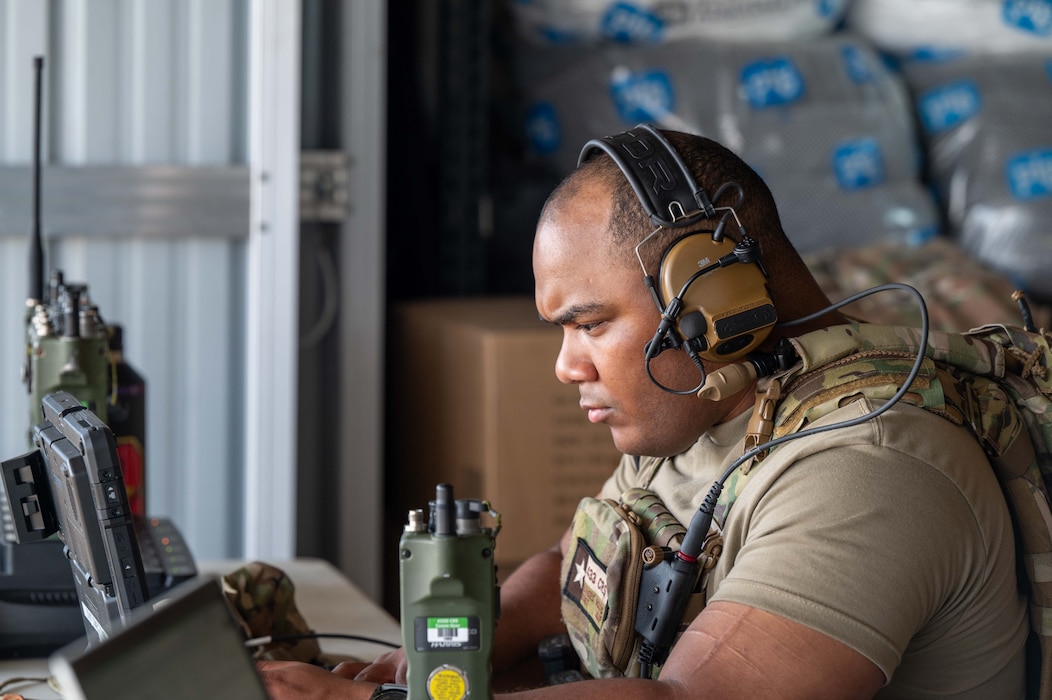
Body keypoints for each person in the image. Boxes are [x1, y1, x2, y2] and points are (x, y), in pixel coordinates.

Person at [259, 127, 1030, 698]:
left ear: (709, 298)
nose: (567, 366)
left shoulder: (871, 466)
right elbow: (578, 566)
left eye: (591, 325)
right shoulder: (720, 403)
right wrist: (439, 659)